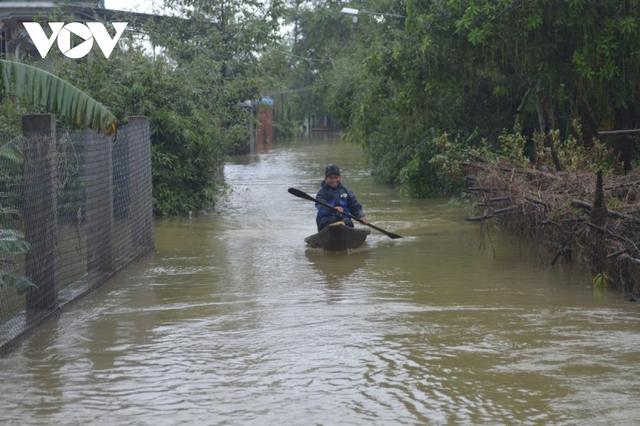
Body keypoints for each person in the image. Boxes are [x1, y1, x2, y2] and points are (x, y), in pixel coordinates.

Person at [315, 164, 368, 231]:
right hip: (326, 221)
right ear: (325, 179)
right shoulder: (321, 193)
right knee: (331, 220)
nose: (334, 180)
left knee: (347, 222)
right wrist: (333, 208)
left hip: (344, 221)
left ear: (340, 178)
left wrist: (361, 217)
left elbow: (355, 207)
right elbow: (320, 205)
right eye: (331, 178)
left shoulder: (347, 191)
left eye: (336, 177)